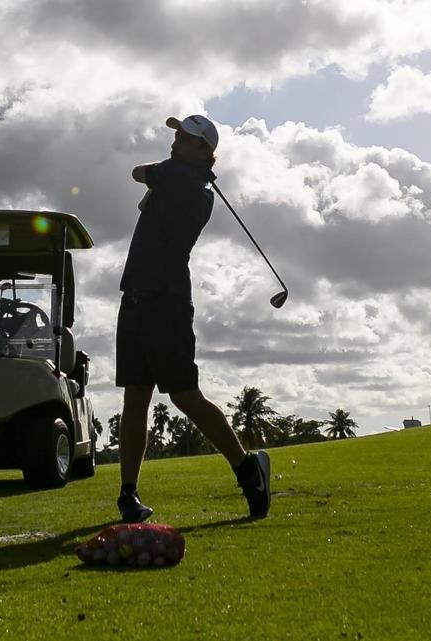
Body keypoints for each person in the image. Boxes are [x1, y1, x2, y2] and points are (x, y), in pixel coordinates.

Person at [114, 114, 271, 523]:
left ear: (204, 150)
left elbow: (137, 171)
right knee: (136, 394)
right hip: (136, 297)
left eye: (185, 138)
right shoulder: (186, 179)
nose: (175, 141)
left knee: (183, 395)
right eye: (178, 135)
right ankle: (128, 494)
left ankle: (248, 470)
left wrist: (169, 172)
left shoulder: (182, 178)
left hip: (165, 302)